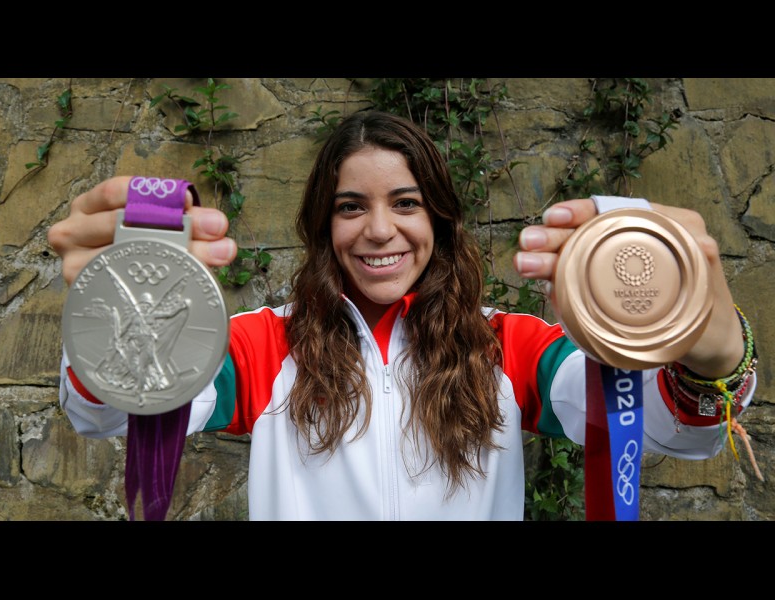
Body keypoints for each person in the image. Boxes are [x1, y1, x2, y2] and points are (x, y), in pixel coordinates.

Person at [47, 110, 757, 520]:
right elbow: (110, 412)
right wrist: (115, 322)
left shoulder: (511, 347)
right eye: (351, 206)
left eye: (406, 203)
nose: (380, 230)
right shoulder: (261, 345)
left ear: (438, 219)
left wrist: (714, 351)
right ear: (324, 224)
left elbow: (665, 425)